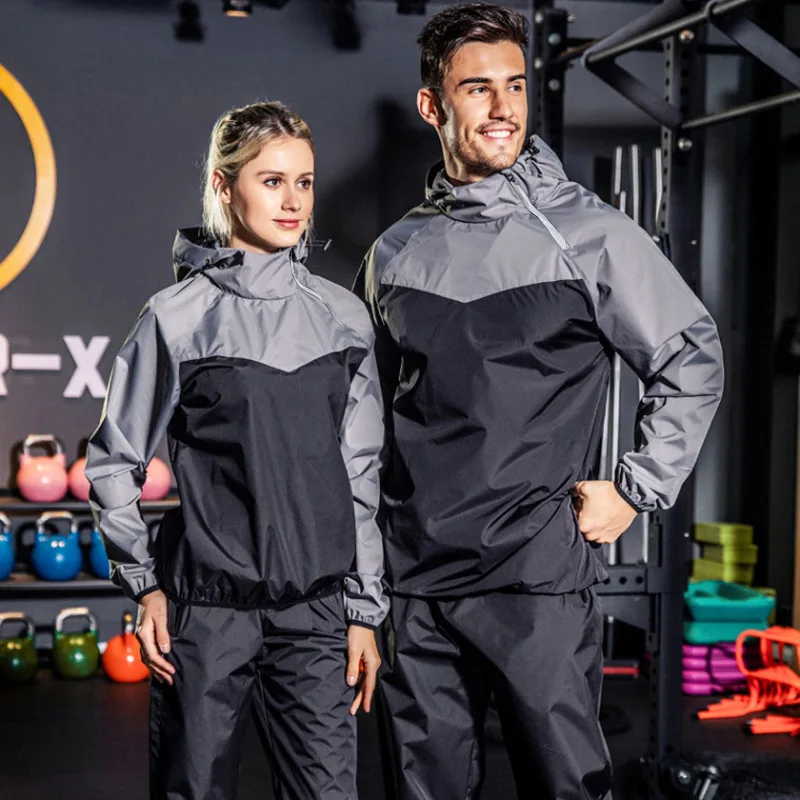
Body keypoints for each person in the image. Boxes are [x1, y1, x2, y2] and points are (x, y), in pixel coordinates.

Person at [355, 4, 724, 799]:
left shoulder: (589, 235)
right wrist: (365, 580)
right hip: (417, 585)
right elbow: (365, 425)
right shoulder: (395, 253)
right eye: (478, 89)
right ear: (432, 105)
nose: (503, 107)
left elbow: (690, 354)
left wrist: (635, 489)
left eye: (515, 86)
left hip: (535, 581)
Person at [86, 100, 388, 800]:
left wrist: (365, 610)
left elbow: (360, 474)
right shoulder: (176, 318)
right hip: (207, 611)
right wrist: (145, 585)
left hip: (316, 613)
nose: (294, 201)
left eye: (304, 182)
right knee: (194, 789)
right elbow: (115, 460)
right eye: (272, 181)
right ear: (224, 187)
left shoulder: (343, 318)